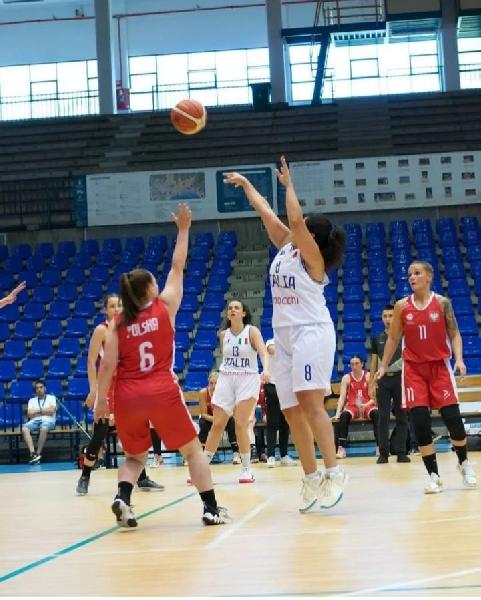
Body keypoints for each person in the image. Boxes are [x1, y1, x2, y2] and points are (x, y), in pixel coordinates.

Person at [224, 156, 348, 512]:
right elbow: (268, 215)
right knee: (292, 412)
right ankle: (310, 479)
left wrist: (290, 186)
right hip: (285, 337)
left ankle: (334, 471)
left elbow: (293, 218)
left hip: (312, 333)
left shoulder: (314, 259)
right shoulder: (286, 248)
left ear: (314, 237)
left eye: (305, 228)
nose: (298, 228)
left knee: (311, 403)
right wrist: (248, 186)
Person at [95, 203, 230, 527]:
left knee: (133, 456)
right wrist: (183, 229)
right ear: (149, 289)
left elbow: (108, 365)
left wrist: (101, 399)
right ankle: (210, 508)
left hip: (126, 395)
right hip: (160, 388)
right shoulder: (163, 306)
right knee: (193, 451)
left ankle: (123, 498)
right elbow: (178, 265)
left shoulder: (117, 323)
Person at [376, 260, 477, 494]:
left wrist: (459, 360)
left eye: (417, 273)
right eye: (410, 274)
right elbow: (392, 339)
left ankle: (464, 464)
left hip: (439, 368)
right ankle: (433, 475)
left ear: (429, 276)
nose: (412, 277)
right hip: (413, 370)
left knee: (453, 420)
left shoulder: (442, 303)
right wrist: (383, 366)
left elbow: (455, 334)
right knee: (420, 423)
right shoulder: (402, 306)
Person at [76, 294, 163, 495]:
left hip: (127, 388)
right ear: (106, 310)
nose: (117, 309)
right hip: (106, 388)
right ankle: (85, 476)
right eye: (113, 306)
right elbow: (90, 362)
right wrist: (93, 390)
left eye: (120, 306)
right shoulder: (101, 330)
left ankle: (141, 478)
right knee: (99, 434)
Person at [203, 299, 269, 483]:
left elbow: (263, 352)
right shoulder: (223, 335)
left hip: (247, 378)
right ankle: (202, 468)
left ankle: (247, 469)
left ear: (243, 313)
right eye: (230, 308)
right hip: (226, 378)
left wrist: (267, 369)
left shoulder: (252, 331)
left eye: (236, 308)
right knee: (217, 424)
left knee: (240, 423)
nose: (232, 310)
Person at [369, 305, 410, 464]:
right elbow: (373, 363)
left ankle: (401, 452)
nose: (388, 319)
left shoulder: (404, 336)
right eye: (385, 316)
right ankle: (383, 452)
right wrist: (371, 384)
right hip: (383, 381)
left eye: (391, 316)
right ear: (381, 318)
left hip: (401, 379)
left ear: (396, 317)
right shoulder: (376, 338)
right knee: (383, 417)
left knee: (402, 416)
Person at [334, 355, 378, 458]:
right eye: (352, 364)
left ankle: (379, 447)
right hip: (352, 406)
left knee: (376, 414)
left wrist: (365, 405)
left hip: (367, 405)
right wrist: (337, 414)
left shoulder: (368, 376)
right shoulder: (346, 378)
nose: (354, 366)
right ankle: (341, 449)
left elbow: (374, 398)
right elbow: (342, 397)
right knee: (343, 416)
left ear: (362, 364)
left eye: (357, 363)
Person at [264, 339, 297, 467]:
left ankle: (284, 455)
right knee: (272, 423)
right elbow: (272, 350)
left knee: (285, 422)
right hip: (273, 385)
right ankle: (271, 455)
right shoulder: (271, 342)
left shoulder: (290, 343)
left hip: (287, 385)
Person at [198, 371, 241, 464]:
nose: (213, 386)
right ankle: (202, 454)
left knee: (232, 421)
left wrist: (221, 419)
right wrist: (216, 420)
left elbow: (231, 411)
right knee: (202, 423)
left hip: (223, 418)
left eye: (216, 383)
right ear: (208, 383)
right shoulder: (203, 393)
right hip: (209, 419)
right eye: (211, 383)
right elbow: (204, 414)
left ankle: (236, 453)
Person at [22, 380, 57, 464]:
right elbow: (30, 414)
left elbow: (52, 411)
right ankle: (33, 453)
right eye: (37, 388)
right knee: (24, 428)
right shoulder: (32, 400)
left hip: (48, 421)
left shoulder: (51, 398)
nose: (39, 389)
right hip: (35, 421)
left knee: (44, 428)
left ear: (45, 388)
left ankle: (38, 453)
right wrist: (44, 411)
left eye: (41, 387)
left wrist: (37, 411)